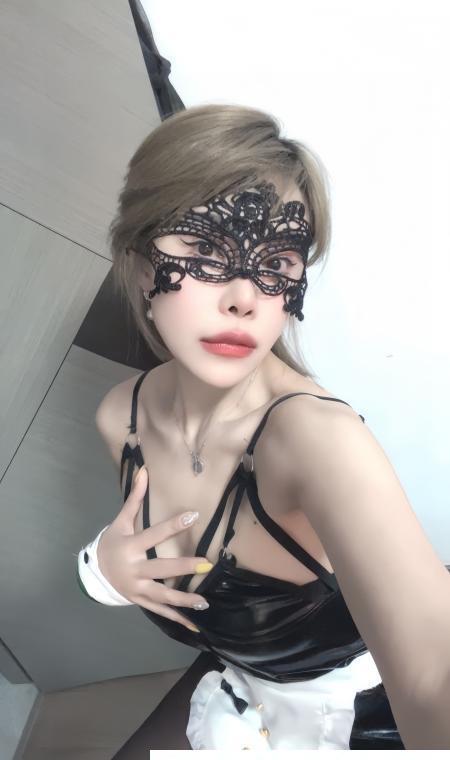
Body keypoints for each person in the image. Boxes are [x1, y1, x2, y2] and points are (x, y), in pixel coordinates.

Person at [77, 103, 450, 752]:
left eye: (275, 263)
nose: (245, 298)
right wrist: (102, 568)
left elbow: (431, 677)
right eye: (205, 250)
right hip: (244, 700)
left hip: (350, 712)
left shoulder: (315, 441)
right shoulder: (120, 419)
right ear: (139, 266)